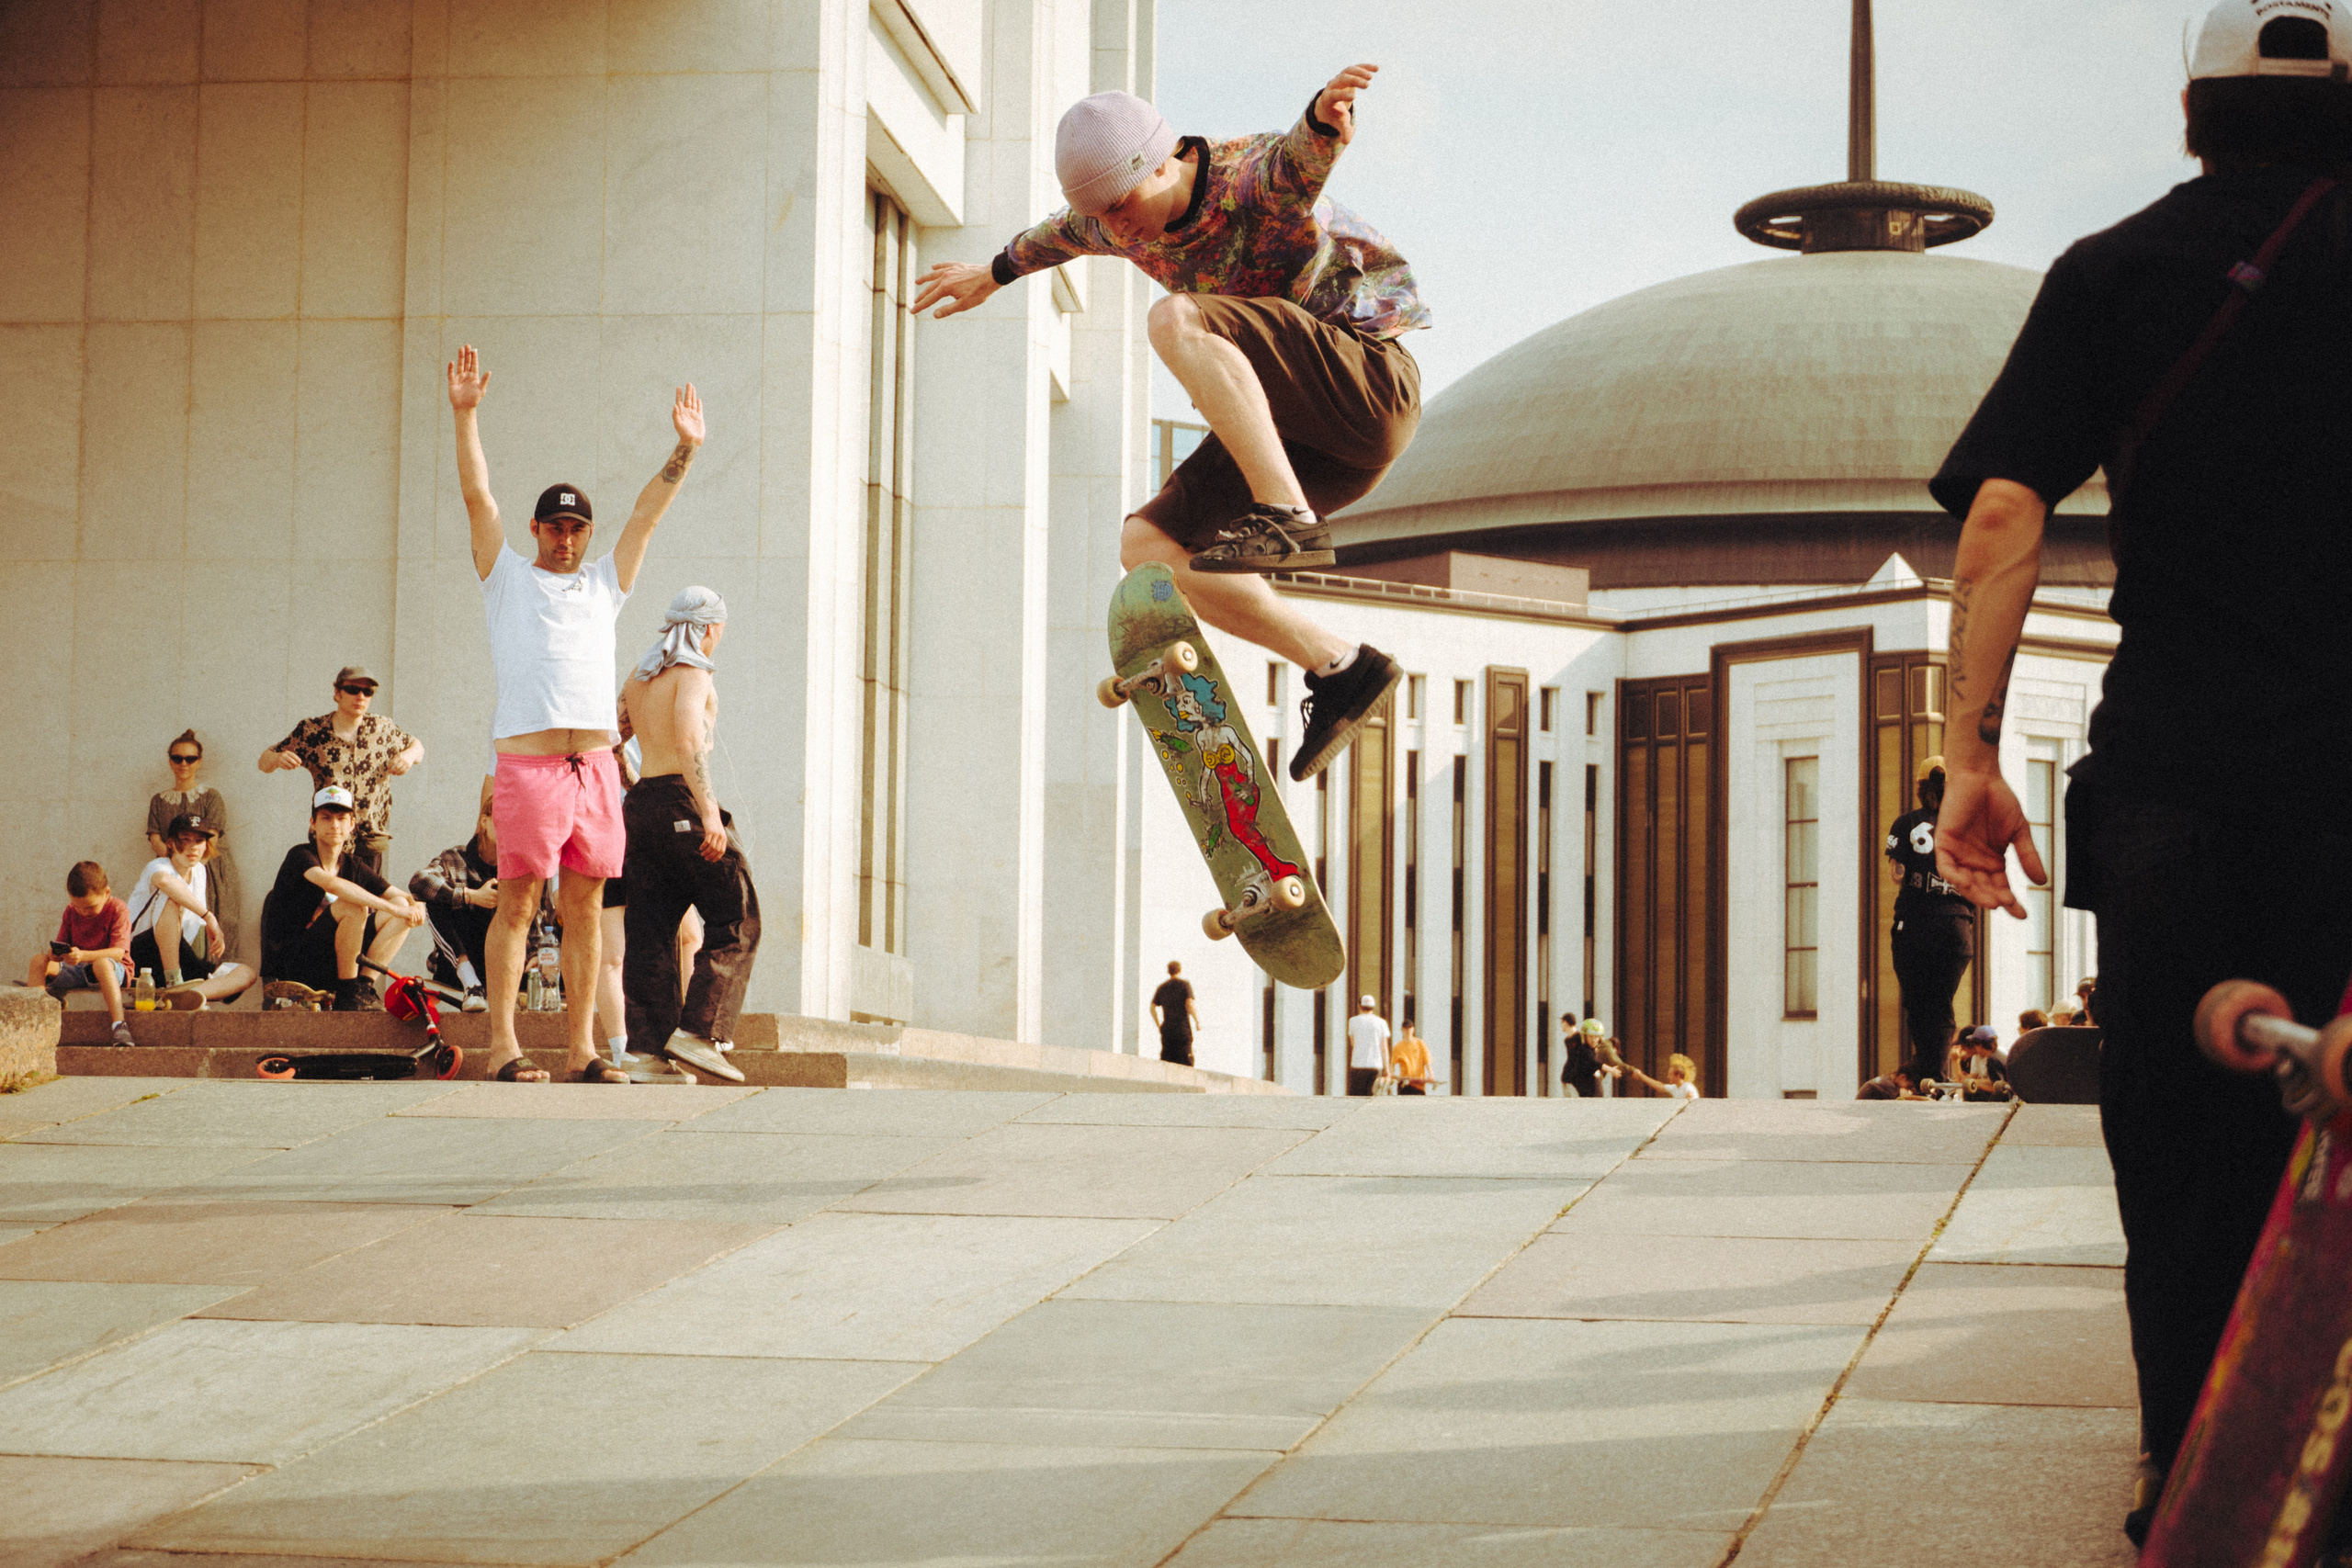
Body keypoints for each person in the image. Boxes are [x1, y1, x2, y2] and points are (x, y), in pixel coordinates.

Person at [1928, 3, 2352, 1546]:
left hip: (2175, 778)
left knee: (2184, 1146)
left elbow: (1999, 520)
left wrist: (1969, 756)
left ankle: (2189, 1462)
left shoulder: (2112, 272)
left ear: (2192, 115)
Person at [911, 71, 1419, 782]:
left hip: (1367, 384)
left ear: (1165, 160)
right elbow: (1051, 239)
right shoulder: (1103, 220)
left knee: (1176, 316)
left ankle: (1286, 512)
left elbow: (1298, 156)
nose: (1118, 228)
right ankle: (1341, 668)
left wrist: (1325, 118)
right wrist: (990, 273)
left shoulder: (1247, 181)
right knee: (1146, 546)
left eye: (1123, 206)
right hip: (1312, 443)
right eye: (1103, 219)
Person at [448, 344, 704, 1085]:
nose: (565, 539)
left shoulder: (604, 583)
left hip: (595, 767)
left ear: (587, 536)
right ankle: (504, 1045)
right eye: (554, 527)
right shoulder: (506, 578)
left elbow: (647, 516)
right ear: (536, 530)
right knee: (520, 903)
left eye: (576, 529)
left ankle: (584, 1048)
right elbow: (478, 498)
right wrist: (465, 417)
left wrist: (684, 449)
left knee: (587, 910)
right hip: (528, 765)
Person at [618, 587, 757, 1084]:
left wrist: (632, 785)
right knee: (736, 912)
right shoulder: (694, 672)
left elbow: (615, 734)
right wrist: (710, 815)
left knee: (651, 929)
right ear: (710, 628)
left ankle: (647, 1051)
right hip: (682, 797)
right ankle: (700, 1032)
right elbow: (688, 739)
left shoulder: (640, 674)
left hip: (643, 804)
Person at [594, 713, 705, 1069]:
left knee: (689, 935)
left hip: (648, 845)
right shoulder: (592, 740)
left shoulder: (654, 741)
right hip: (605, 842)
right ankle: (620, 1046)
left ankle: (688, 1031)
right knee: (612, 954)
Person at [258, 786, 426, 1009]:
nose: (335, 825)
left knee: (401, 904)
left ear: (351, 825)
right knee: (354, 906)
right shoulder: (300, 856)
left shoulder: (354, 864)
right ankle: (348, 994)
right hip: (296, 966)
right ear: (313, 823)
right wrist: (396, 910)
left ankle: (363, 987)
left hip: (335, 963)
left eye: (341, 818)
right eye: (326, 818)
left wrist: (417, 906)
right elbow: (332, 884)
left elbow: (401, 897)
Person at [258, 668, 422, 878]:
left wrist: (408, 755)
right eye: (353, 689)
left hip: (369, 839)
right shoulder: (312, 731)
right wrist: (278, 759)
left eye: (367, 692)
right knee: (328, 905)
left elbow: (418, 748)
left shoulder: (383, 728)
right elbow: (264, 761)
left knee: (367, 904)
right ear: (337, 693)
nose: (360, 697)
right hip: (329, 836)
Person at [1885, 754, 1976, 1086]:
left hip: (1915, 924)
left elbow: (1896, 874)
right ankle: (1929, 1073)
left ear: (1922, 788)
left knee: (1918, 1002)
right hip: (1956, 925)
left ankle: (1929, 1076)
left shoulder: (1906, 823)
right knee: (1940, 1003)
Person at [126, 814, 256, 1009]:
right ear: (170, 843)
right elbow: (164, 882)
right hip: (142, 954)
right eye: (184, 840)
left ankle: (185, 996)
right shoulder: (159, 866)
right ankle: (174, 983)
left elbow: (191, 927)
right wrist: (209, 916)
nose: (193, 847)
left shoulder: (200, 872)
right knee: (172, 899)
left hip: (179, 954)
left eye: (199, 840)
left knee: (246, 973)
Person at [408, 783, 504, 1010]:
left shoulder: (520, 867)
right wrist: (471, 896)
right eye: (502, 820)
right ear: (484, 821)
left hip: (501, 961)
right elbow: (418, 882)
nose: (509, 828)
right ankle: (470, 981)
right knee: (436, 895)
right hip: (458, 966)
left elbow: (537, 917)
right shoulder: (456, 857)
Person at [147, 729, 238, 958]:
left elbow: (212, 838)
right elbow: (156, 839)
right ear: (170, 760)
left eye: (190, 758)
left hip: (210, 869)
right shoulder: (159, 801)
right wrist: (176, 868)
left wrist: (193, 867)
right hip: (171, 871)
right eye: (177, 758)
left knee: (212, 926)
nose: (183, 764)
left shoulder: (211, 797)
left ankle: (213, 984)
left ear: (199, 761)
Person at [27, 861, 135, 1045]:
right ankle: (36, 1021)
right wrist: (55, 955)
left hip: (113, 970)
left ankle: (119, 1025)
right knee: (39, 960)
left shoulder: (118, 909)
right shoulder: (71, 911)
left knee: (102, 963)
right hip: (78, 968)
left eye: (90, 907)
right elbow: (62, 945)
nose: (84, 912)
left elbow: (118, 953)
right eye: (78, 906)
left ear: (106, 893)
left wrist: (83, 955)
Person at [1151, 961, 1199, 1066]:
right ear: (1180, 970)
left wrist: (1159, 1024)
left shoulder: (1162, 988)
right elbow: (1189, 1004)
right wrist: (1197, 1021)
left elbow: (1152, 1007)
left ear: (1168, 971)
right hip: (1182, 1029)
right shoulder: (1184, 985)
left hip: (1167, 1030)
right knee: (1185, 1062)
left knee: (1167, 1062)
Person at [1559, 1010, 1615, 1098]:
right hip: (1571, 1079)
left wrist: (1609, 1069)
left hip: (1582, 1080)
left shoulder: (1580, 1038)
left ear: (1565, 1022)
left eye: (1562, 1022)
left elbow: (1591, 1058)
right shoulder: (1567, 1040)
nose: (1593, 1039)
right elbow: (1572, 1059)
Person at [1952, 1024, 2013, 1102]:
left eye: (1975, 1045)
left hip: (2007, 1094)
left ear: (1980, 1046)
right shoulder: (1987, 1056)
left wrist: (1977, 1084)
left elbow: (1996, 1086)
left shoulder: (1994, 1060)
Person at [1344, 994, 1389, 1096]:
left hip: (1357, 1065)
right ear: (1373, 1007)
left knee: (1356, 1097)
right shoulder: (1382, 1023)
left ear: (1359, 1006)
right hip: (1375, 1065)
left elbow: (1353, 1043)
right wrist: (1387, 1069)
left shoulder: (1353, 1021)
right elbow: (1384, 1048)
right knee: (1372, 1096)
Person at [1625, 1052, 1701, 1101]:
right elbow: (1659, 1086)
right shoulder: (1675, 1087)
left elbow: (1690, 1098)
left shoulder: (1687, 1087)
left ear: (1678, 1075)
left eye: (1670, 1074)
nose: (1668, 1077)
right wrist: (1640, 1075)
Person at [1385, 1019, 1433, 1095]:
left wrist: (1431, 1074)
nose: (1408, 1030)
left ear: (1413, 1029)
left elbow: (1427, 1060)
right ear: (1402, 1030)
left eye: (1410, 1028)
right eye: (1406, 1028)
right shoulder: (1398, 1046)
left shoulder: (1420, 1044)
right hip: (1405, 1083)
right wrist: (1391, 1075)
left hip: (1418, 1083)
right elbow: (1393, 1063)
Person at [1857, 1066, 1924, 1101]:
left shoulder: (1886, 1080)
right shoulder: (1887, 1085)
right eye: (1909, 1087)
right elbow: (1905, 1100)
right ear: (1903, 1077)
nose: (1910, 1091)